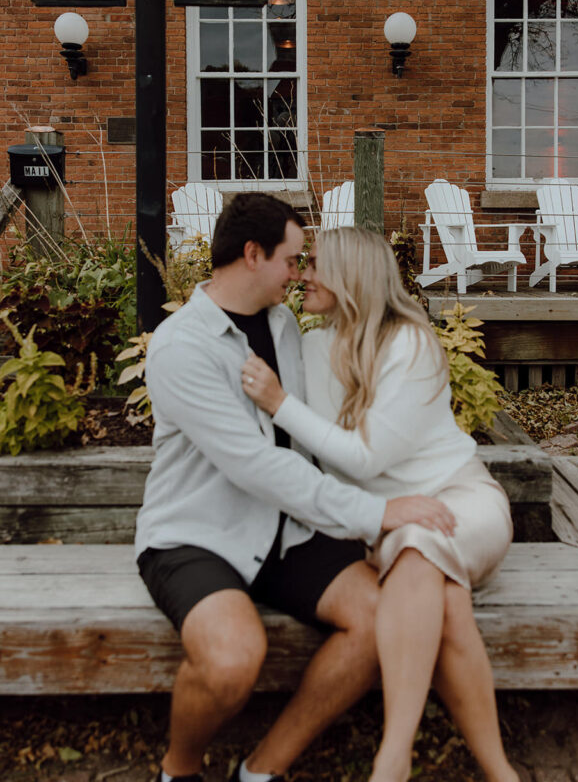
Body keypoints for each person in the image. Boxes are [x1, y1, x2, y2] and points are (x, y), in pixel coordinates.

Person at [136, 194, 456, 782]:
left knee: (379, 619)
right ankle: (178, 770)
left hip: (288, 530)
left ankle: (261, 769)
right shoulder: (182, 346)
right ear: (253, 254)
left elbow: (314, 433)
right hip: (198, 534)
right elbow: (257, 465)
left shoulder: (284, 327)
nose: (301, 272)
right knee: (233, 659)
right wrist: (376, 512)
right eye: (292, 259)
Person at [242, 226, 518, 782]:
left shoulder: (410, 343)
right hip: (389, 522)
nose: (303, 275)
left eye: (316, 264)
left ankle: (394, 756)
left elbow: (366, 458)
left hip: (459, 500)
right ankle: (500, 773)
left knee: (418, 548)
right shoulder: (313, 346)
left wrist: (279, 403)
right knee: (447, 602)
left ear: (353, 275)